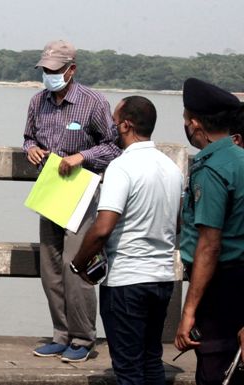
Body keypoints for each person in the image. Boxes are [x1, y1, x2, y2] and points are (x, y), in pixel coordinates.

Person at [71, 96, 184, 384]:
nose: (111, 127)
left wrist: (78, 263)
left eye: (114, 121)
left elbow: (102, 228)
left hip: (127, 281)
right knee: (151, 360)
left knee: (128, 368)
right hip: (162, 279)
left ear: (126, 125)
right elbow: (177, 223)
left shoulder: (121, 167)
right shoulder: (172, 169)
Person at [23, 40, 121, 362]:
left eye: (54, 70)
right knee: (50, 266)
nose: (48, 75)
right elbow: (28, 137)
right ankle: (60, 334)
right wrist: (30, 149)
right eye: (45, 70)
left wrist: (82, 156)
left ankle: (82, 338)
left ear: (71, 69)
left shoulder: (93, 102)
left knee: (75, 264)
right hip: (50, 190)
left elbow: (113, 147)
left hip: (82, 192)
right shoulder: (37, 102)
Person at [174, 78, 244, 385]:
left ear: (195, 124)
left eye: (185, 119)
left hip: (220, 283)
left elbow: (209, 246)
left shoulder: (212, 170)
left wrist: (189, 311)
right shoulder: (239, 158)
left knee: (214, 366)